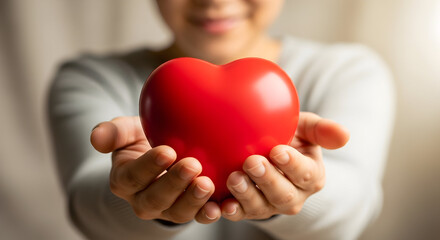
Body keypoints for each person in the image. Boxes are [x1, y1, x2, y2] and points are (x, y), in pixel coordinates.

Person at [48, 0, 395, 239]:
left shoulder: (347, 71)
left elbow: (354, 207)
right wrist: (135, 196)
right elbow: (88, 208)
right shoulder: (90, 78)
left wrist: (296, 197)